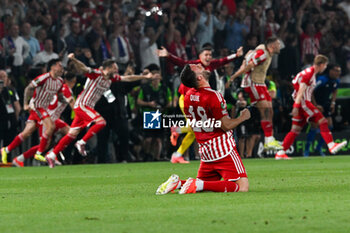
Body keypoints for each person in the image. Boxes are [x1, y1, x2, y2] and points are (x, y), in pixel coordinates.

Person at [45, 54, 155, 168]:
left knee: (71, 135)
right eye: (114, 68)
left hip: (87, 107)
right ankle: (81, 142)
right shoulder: (97, 74)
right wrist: (73, 59)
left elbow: (127, 78)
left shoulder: (111, 78)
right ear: (108, 68)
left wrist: (144, 77)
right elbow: (83, 68)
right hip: (82, 105)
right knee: (101, 122)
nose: (117, 70)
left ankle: (52, 155)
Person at [156, 64, 250, 195]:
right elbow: (226, 125)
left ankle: (178, 183)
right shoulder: (213, 96)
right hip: (223, 149)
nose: (199, 65)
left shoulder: (188, 96)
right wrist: (242, 117)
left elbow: (195, 124)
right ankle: (198, 184)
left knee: (206, 185)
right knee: (242, 186)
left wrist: (178, 130)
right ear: (199, 77)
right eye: (196, 67)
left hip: (206, 151)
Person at [157, 44, 243, 163]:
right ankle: (177, 130)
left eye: (210, 55)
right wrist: (168, 56)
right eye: (206, 55)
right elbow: (181, 62)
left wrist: (236, 55)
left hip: (196, 101)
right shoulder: (195, 65)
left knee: (195, 130)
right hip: (186, 98)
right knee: (195, 127)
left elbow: (223, 61)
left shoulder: (211, 66)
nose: (208, 57)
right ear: (200, 56)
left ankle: (177, 154)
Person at [275, 55, 347, 160]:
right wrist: (296, 106)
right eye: (325, 65)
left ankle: (281, 153)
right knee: (322, 121)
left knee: (295, 130)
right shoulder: (309, 74)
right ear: (321, 64)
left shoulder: (310, 73)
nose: (325, 68)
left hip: (300, 102)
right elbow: (301, 91)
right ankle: (331, 145)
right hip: (303, 103)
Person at [1, 59, 65, 164]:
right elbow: (28, 89)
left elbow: (60, 95)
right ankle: (39, 154)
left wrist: (68, 103)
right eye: (59, 66)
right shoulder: (44, 78)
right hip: (37, 107)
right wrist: (25, 104)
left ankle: (6, 150)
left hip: (44, 109)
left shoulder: (60, 81)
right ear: (52, 67)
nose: (62, 68)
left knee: (26, 133)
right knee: (51, 127)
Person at [228, 37, 282, 150]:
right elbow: (248, 66)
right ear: (272, 46)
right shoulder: (262, 54)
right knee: (265, 111)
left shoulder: (264, 51)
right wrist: (233, 77)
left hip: (260, 83)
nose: (280, 46)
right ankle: (268, 140)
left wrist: (247, 56)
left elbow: (248, 57)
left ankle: (269, 139)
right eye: (278, 44)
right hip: (252, 83)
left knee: (270, 111)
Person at [12, 73, 76, 167]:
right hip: (47, 118)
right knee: (46, 144)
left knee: (69, 134)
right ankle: (20, 158)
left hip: (54, 118)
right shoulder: (65, 89)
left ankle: (52, 154)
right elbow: (72, 105)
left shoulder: (60, 88)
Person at [304, 64, 342, 157]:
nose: (338, 73)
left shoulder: (336, 80)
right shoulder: (322, 80)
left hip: (325, 104)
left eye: (339, 71)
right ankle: (306, 150)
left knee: (330, 126)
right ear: (330, 71)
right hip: (315, 104)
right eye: (336, 70)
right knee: (315, 126)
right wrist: (315, 105)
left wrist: (333, 103)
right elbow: (310, 91)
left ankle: (318, 148)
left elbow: (335, 91)